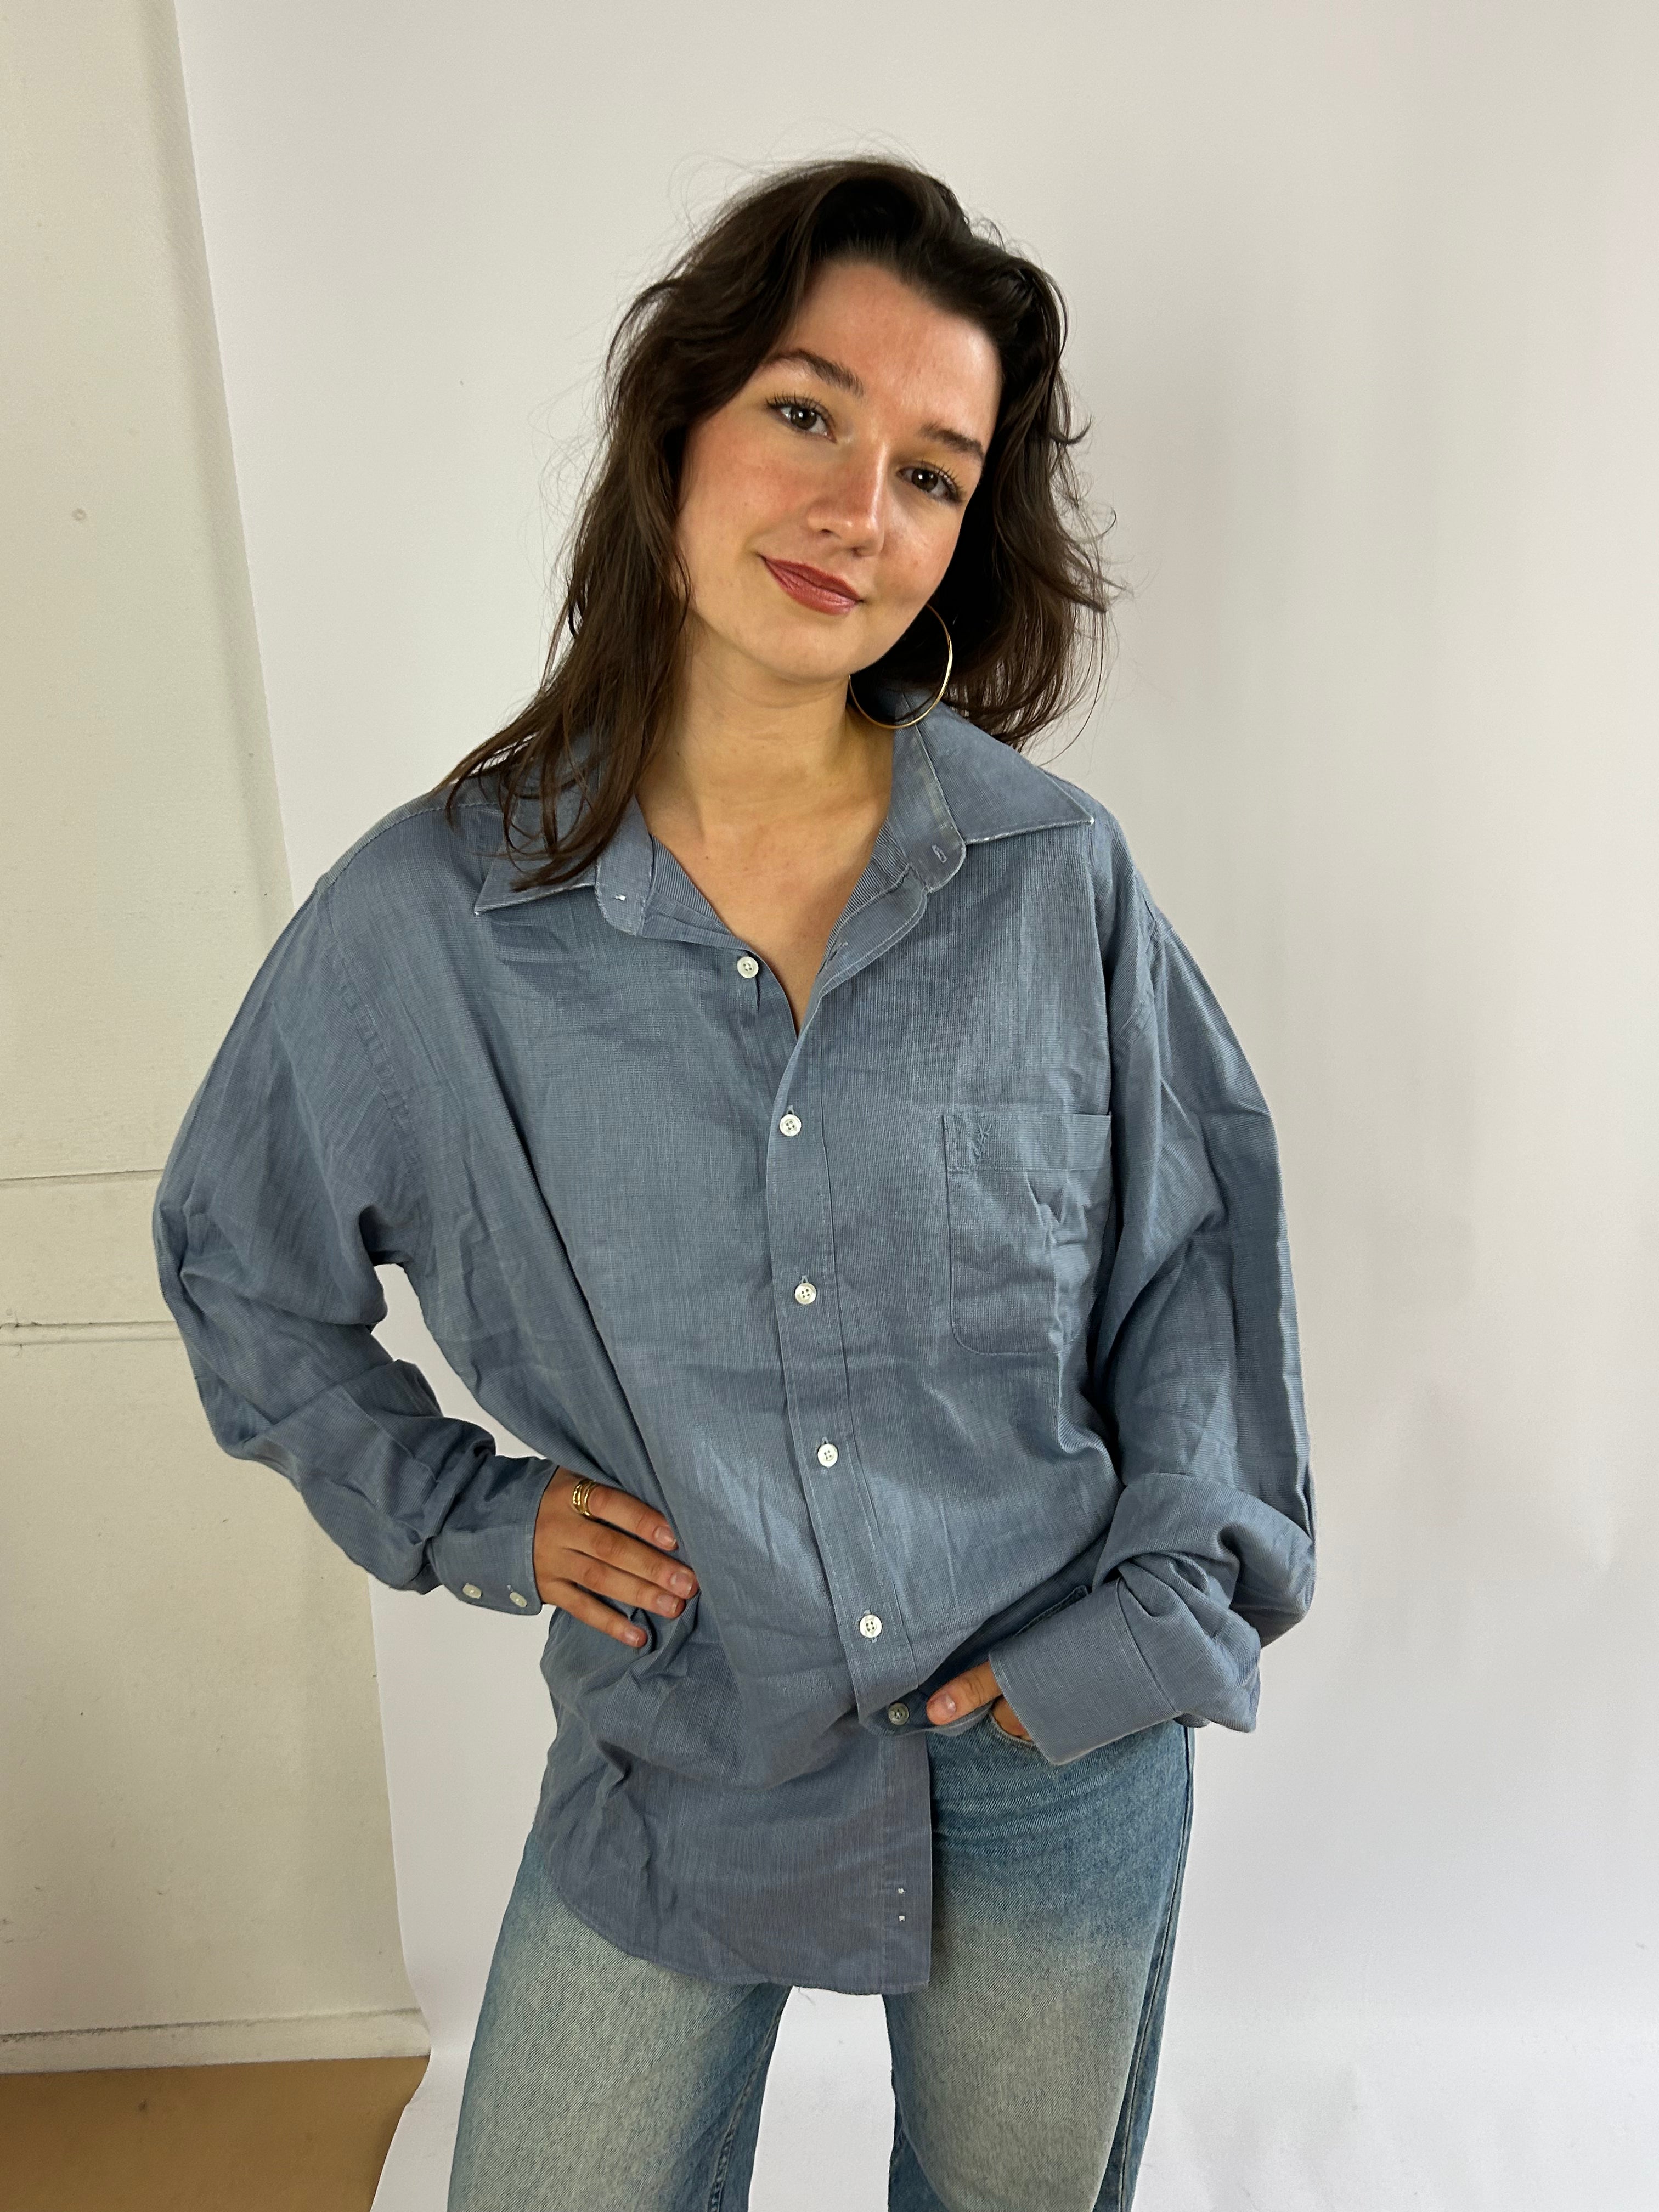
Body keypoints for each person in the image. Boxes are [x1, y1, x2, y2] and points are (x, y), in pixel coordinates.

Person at [152, 156, 1316, 2212]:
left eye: (933, 473)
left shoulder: (1055, 880)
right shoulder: (434, 921)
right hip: (683, 1736)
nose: (859, 510)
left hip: (1050, 1736)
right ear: (676, 421)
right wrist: (470, 1515)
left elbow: (1195, 1275)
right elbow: (240, 1263)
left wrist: (1144, 1628)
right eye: (804, 413)